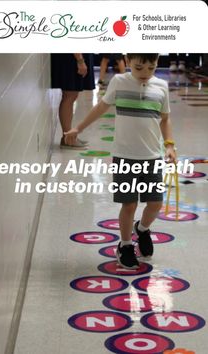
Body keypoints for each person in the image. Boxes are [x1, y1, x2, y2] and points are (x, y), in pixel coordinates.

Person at [65, 54, 176, 269]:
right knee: (129, 204)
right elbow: (101, 108)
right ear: (128, 60)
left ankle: (142, 229)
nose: (144, 73)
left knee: (155, 203)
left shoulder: (161, 86)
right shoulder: (119, 82)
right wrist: (78, 128)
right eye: (138, 67)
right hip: (125, 156)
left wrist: (170, 145)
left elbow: (165, 118)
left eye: (151, 68)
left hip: (152, 156)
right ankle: (125, 245)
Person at [51, 53, 95, 149]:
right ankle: (67, 138)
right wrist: (80, 60)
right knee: (69, 95)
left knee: (71, 95)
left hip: (72, 57)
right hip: (71, 58)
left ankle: (68, 136)